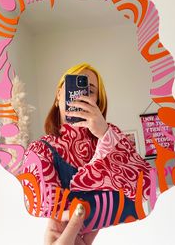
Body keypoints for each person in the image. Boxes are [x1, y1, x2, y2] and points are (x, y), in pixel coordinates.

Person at [22, 62, 152, 243]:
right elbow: (43, 210)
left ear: (98, 102)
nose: (80, 96)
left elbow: (146, 188)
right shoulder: (40, 150)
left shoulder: (113, 135)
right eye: (73, 87)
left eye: (89, 91)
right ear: (59, 95)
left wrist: (104, 134)